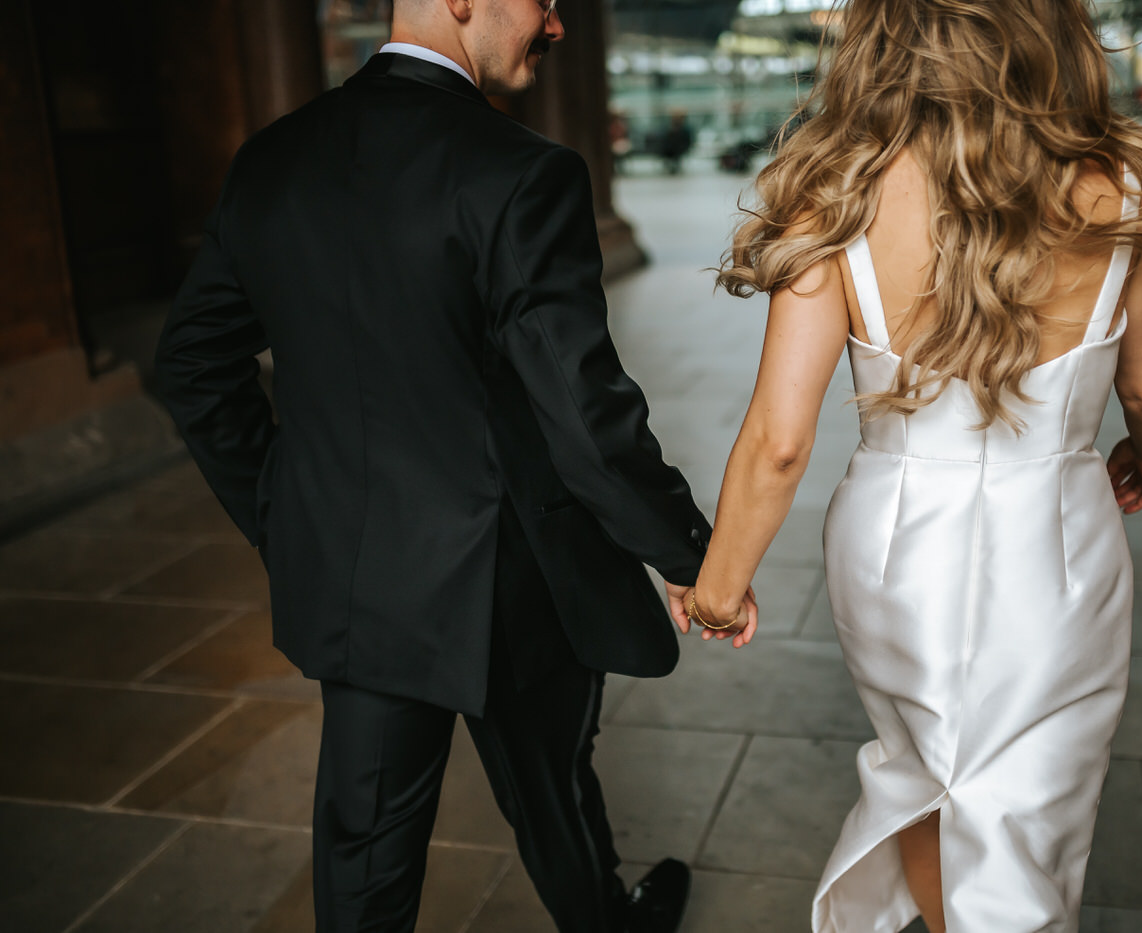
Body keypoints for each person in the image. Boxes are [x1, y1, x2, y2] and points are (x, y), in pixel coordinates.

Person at [153, 0, 747, 930]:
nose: (554, 25)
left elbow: (191, 366)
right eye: (543, 2)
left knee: (365, 846)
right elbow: (585, 418)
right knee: (553, 788)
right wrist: (690, 553)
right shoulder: (520, 174)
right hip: (513, 581)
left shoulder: (272, 159)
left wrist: (289, 517)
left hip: (361, 579)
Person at [681, 1, 1142, 930]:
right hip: (1061, 538)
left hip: (898, 546)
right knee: (1036, 794)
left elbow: (779, 436)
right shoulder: (1122, 181)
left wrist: (721, 582)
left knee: (929, 772)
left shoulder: (837, 188)